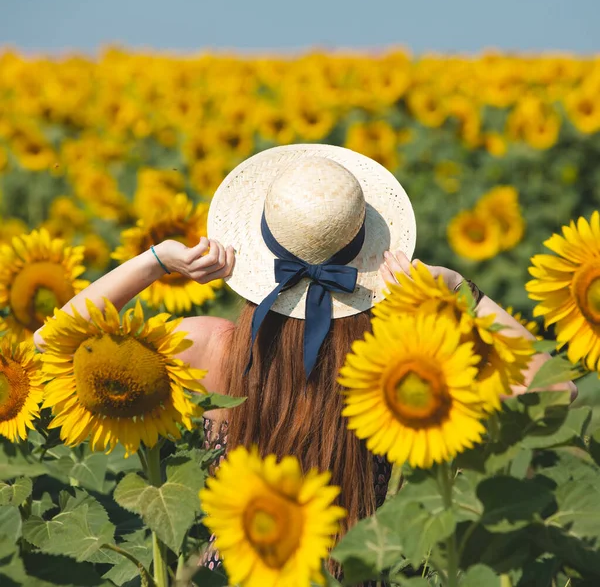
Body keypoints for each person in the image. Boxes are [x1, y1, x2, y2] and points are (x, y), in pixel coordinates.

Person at [33, 144, 576, 577]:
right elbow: (555, 396)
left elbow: (52, 344)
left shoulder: (208, 347)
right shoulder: (395, 369)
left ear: (260, 254)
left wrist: (155, 262)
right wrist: (462, 289)